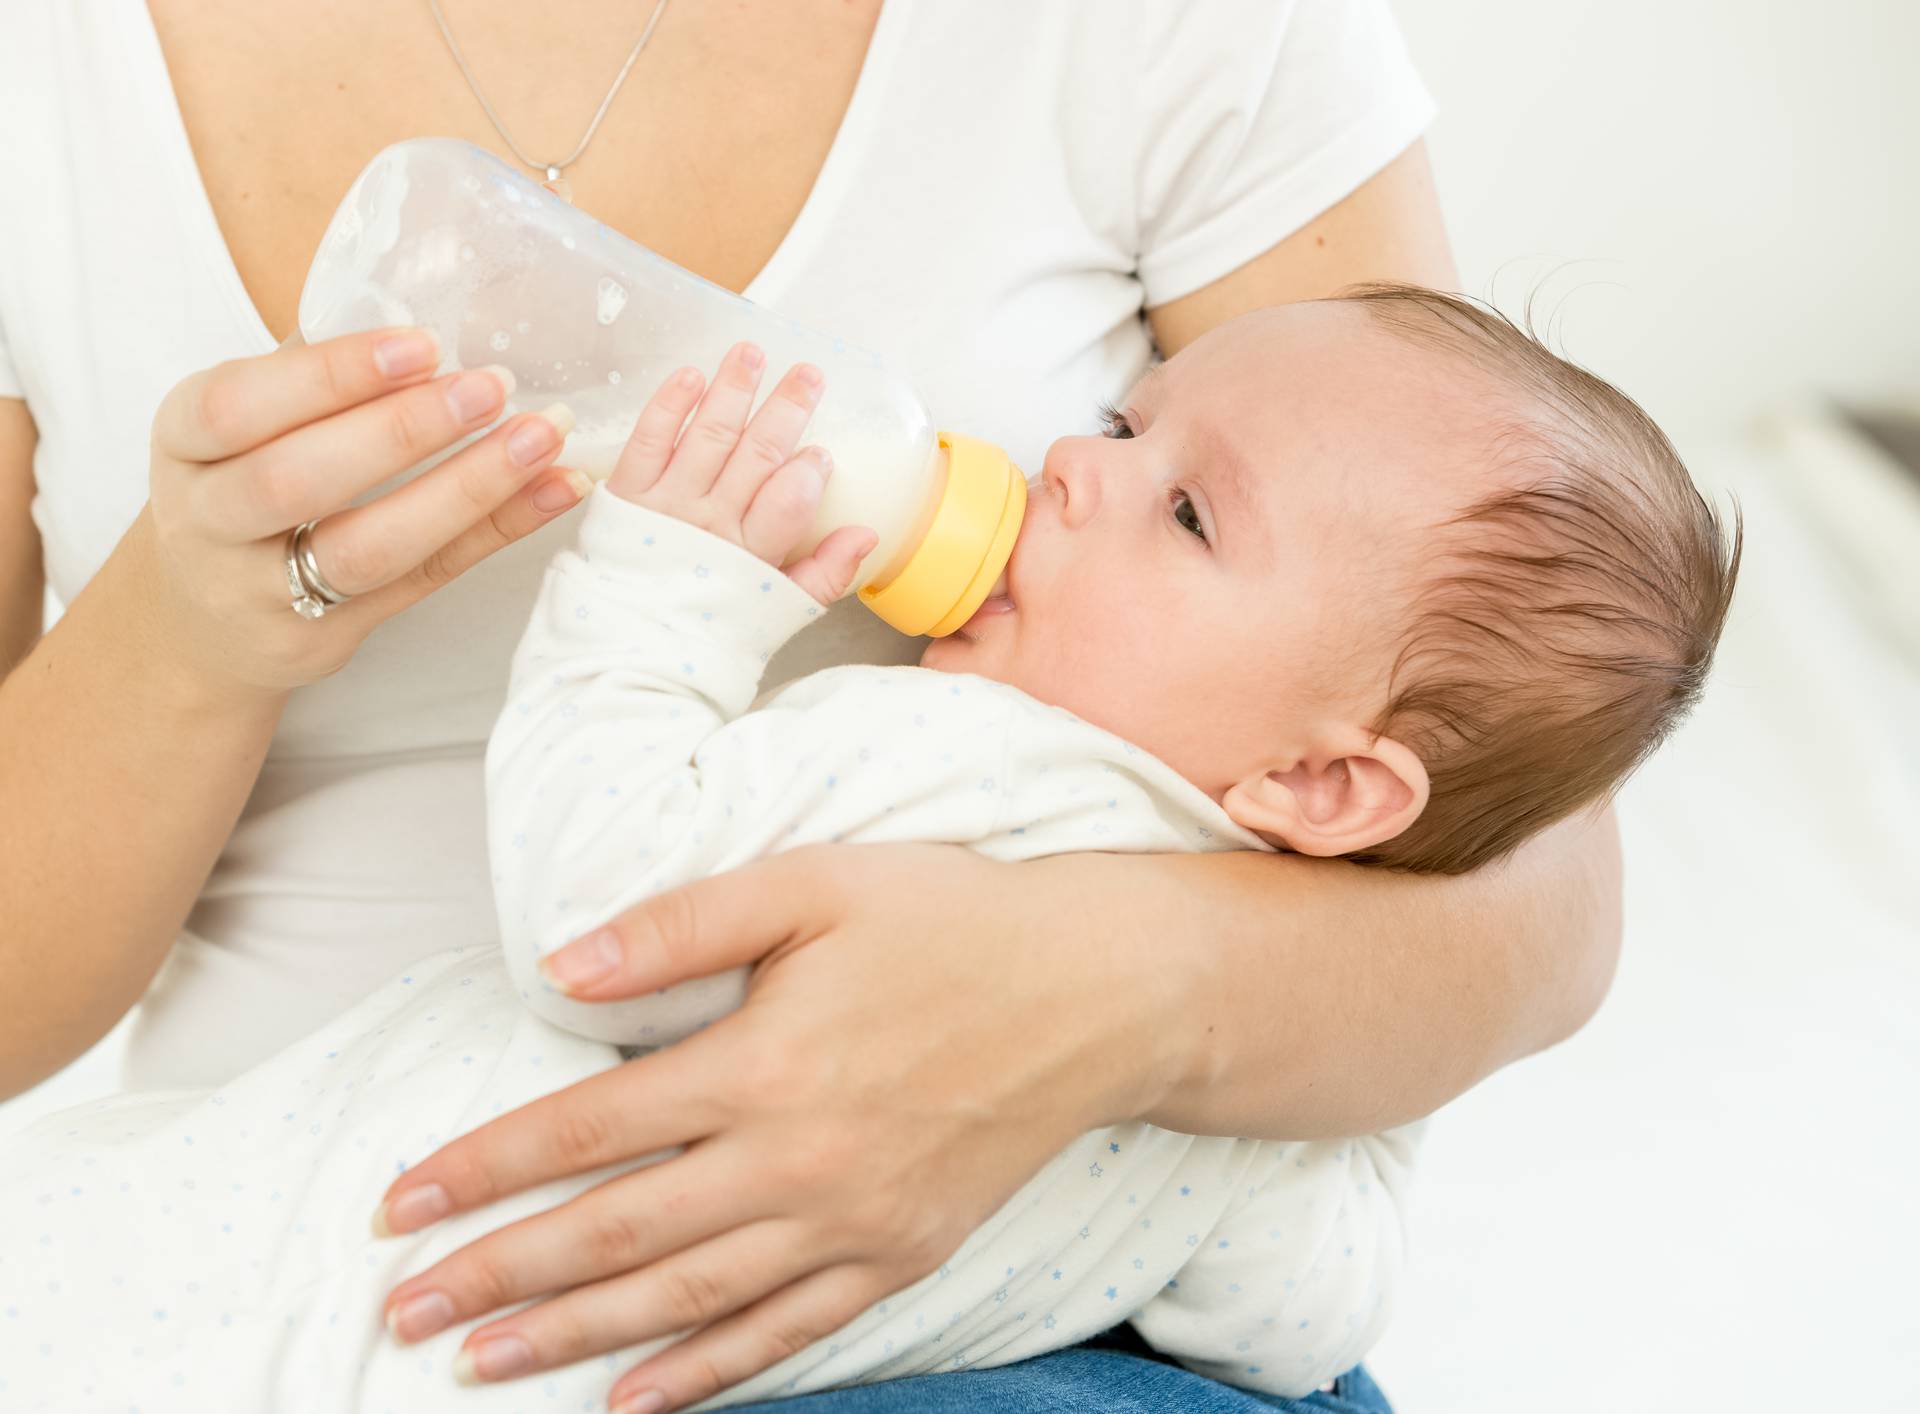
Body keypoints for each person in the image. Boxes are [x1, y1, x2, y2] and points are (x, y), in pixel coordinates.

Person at [0, 2, 1624, 1410]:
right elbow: (1307, 1293)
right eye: (1120, 421)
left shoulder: (927, 759)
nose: (1073, 457)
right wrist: (187, 628)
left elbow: (1540, 876)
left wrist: (1116, 1004)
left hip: (993, 1369)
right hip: (374, 1234)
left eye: (1182, 506)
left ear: (1328, 787)